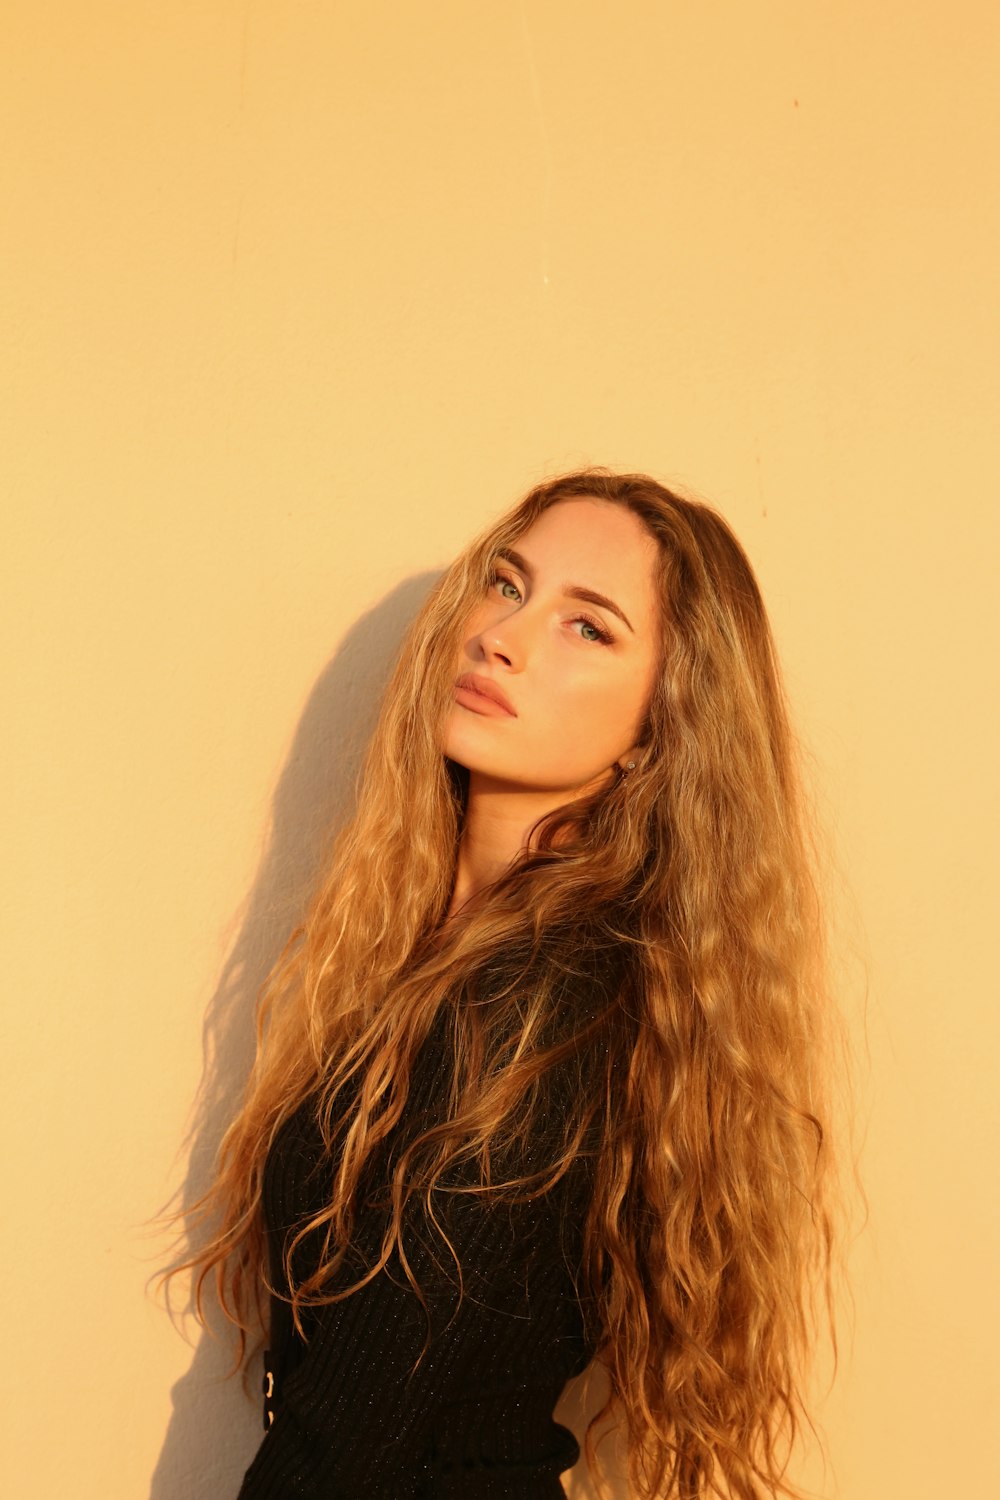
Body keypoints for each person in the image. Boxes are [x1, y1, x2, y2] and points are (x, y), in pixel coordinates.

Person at [171, 469, 839, 1499]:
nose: (502, 637)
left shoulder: (543, 1001)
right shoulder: (433, 948)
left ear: (659, 730)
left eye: (591, 628)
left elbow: (347, 1437)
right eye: (507, 584)